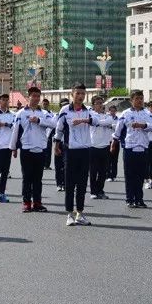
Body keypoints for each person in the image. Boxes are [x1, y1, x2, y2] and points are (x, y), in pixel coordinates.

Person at [54, 84, 96, 226]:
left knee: (83, 184)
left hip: (85, 150)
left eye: (83, 94)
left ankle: (80, 213)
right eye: (78, 93)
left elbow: (98, 121)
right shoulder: (65, 110)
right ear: (72, 94)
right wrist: (56, 145)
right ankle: (69, 214)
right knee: (70, 184)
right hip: (70, 151)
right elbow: (59, 129)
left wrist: (84, 120)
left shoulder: (88, 110)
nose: (80, 96)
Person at [10, 87, 55, 213]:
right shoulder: (21, 113)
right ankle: (26, 202)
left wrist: (39, 120)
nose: (36, 98)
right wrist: (13, 148)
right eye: (33, 96)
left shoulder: (44, 113)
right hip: (26, 149)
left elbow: (54, 124)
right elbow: (15, 131)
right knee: (27, 177)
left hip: (40, 149)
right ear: (28, 97)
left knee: (38, 179)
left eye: (38, 96)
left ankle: (37, 203)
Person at [112, 90, 152, 208]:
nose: (139, 101)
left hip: (143, 147)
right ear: (131, 100)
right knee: (130, 174)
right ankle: (129, 199)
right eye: (137, 98)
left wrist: (143, 125)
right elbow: (118, 130)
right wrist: (114, 143)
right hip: (129, 147)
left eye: (141, 98)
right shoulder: (125, 113)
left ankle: (139, 199)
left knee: (140, 175)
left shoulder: (147, 113)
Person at [89, 95, 114, 199]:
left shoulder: (107, 116)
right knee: (93, 171)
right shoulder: (90, 114)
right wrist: (101, 123)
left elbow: (110, 122)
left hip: (105, 146)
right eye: (98, 103)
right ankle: (93, 192)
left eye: (101, 103)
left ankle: (100, 190)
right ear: (93, 105)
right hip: (93, 146)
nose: (100, 105)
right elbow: (93, 121)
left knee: (103, 171)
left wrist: (98, 123)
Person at [51, 98, 69, 192]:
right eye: (63, 105)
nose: (64, 106)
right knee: (58, 165)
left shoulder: (71, 116)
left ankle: (66, 184)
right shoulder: (56, 116)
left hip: (68, 143)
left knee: (67, 165)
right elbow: (52, 127)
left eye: (66, 104)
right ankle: (59, 183)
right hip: (58, 143)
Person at [106, 104, 120, 182]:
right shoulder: (106, 118)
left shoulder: (118, 119)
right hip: (107, 141)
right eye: (111, 111)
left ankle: (114, 175)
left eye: (114, 111)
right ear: (109, 111)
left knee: (115, 159)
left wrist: (112, 126)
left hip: (115, 141)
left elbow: (118, 128)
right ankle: (108, 175)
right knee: (108, 159)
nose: (112, 112)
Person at [42, 98, 54, 169]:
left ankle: (47, 165)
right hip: (41, 134)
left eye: (46, 104)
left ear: (48, 105)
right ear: (41, 104)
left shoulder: (51, 114)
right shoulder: (40, 113)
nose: (45, 105)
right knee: (42, 150)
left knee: (49, 150)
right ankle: (42, 164)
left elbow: (53, 124)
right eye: (44, 104)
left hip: (49, 134)